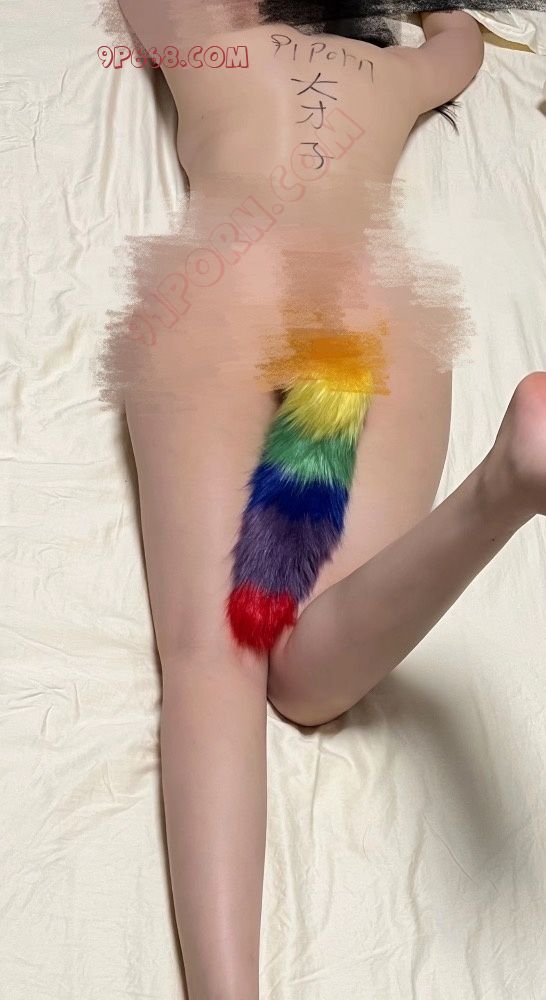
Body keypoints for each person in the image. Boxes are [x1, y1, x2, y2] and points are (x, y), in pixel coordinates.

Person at [111, 3, 545, 997]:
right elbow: (460, 45)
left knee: (216, 655)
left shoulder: (206, 34)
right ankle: (503, 488)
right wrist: (438, 14)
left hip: (225, 277)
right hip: (367, 309)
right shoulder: (396, 75)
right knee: (306, 683)